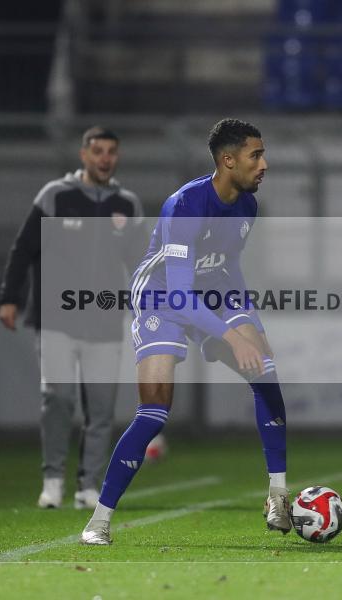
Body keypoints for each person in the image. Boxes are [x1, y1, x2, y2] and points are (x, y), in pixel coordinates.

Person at [79, 118, 289, 545]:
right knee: (155, 411)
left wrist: (250, 324)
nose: (264, 163)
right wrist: (230, 336)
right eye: (256, 155)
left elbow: (228, 269)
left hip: (212, 292)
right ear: (228, 160)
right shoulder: (186, 205)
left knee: (264, 372)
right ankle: (98, 521)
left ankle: (278, 495)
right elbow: (178, 294)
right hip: (161, 297)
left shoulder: (247, 206)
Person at [0, 126, 145, 509]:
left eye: (111, 151)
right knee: (58, 398)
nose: (105, 158)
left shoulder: (127, 204)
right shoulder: (55, 195)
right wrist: (9, 298)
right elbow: (23, 248)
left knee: (100, 409)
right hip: (56, 320)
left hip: (105, 323)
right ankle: (52, 481)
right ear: (84, 155)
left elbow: (141, 263)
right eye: (97, 151)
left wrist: (152, 303)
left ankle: (88, 485)